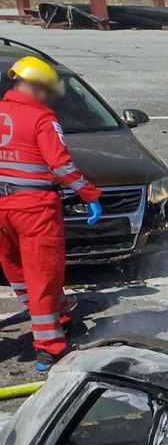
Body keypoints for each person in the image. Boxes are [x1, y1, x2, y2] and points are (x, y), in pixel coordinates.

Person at [0, 55, 100, 371]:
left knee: (17, 270)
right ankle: (51, 347)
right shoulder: (42, 118)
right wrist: (90, 194)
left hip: (3, 210)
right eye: (45, 89)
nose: (47, 96)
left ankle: (59, 319)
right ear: (34, 86)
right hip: (35, 209)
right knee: (43, 274)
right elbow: (61, 166)